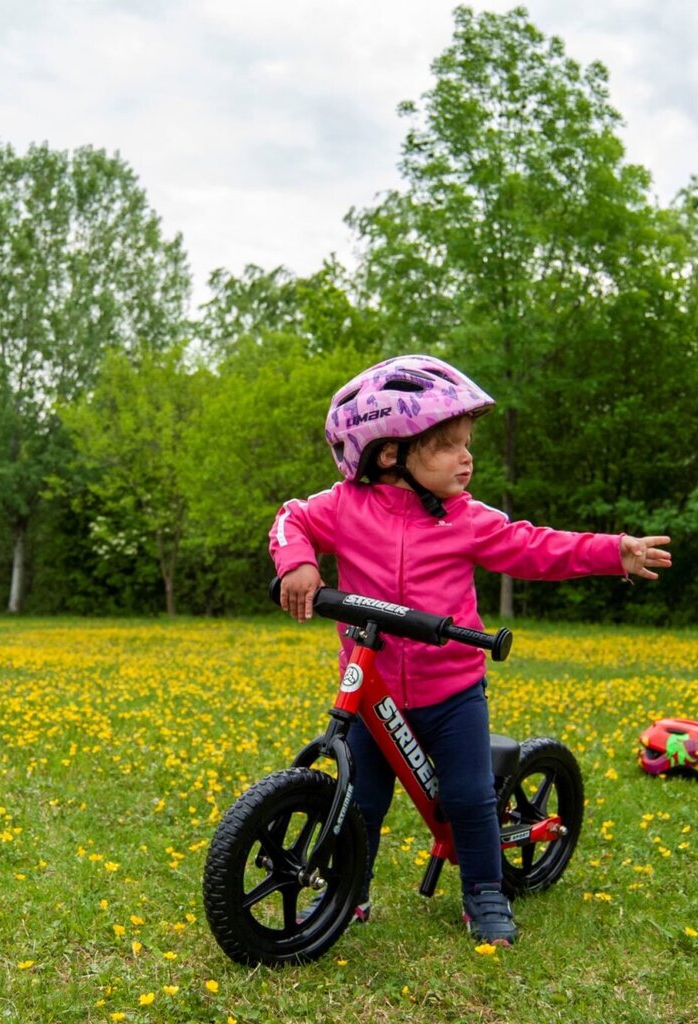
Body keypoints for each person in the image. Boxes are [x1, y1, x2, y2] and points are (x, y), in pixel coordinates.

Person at [269, 354, 671, 946]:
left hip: (451, 691)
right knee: (360, 801)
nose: (467, 457)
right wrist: (298, 564)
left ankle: (484, 889)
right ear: (390, 454)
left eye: (467, 443)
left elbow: (536, 547)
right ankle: (347, 890)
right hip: (369, 686)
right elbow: (291, 518)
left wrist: (612, 551)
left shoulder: (468, 519)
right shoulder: (345, 508)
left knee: (468, 796)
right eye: (449, 445)